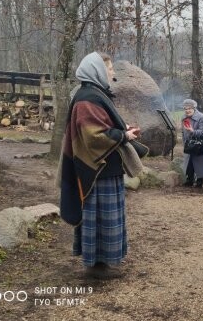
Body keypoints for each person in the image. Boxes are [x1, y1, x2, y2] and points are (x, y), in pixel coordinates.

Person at [60, 51, 146, 279]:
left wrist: (122, 127)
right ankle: (97, 267)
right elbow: (93, 136)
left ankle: (101, 264)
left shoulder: (95, 94)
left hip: (103, 169)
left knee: (103, 218)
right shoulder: (88, 97)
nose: (113, 73)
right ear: (97, 70)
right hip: (98, 172)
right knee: (100, 218)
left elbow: (99, 125)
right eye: (109, 69)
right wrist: (124, 136)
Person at [181, 99, 203, 188]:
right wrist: (184, 142)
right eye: (185, 109)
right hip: (189, 144)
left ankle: (199, 181)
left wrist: (192, 131)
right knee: (189, 163)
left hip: (199, 144)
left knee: (199, 163)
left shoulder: (201, 117)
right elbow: (183, 132)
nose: (187, 110)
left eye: (189, 108)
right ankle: (189, 180)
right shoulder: (183, 117)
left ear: (194, 108)